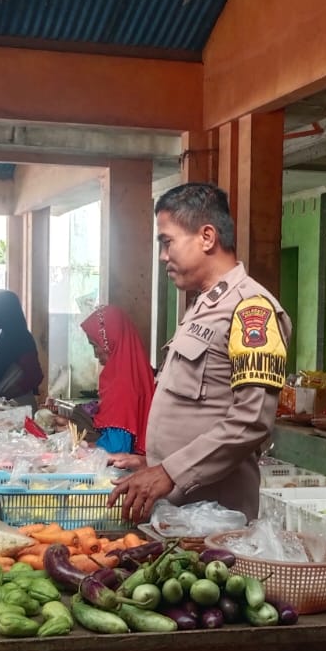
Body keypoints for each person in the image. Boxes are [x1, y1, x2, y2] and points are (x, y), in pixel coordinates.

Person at [110, 182, 289, 524]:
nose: (163, 256)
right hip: (179, 512)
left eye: (167, 242)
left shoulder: (251, 310)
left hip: (213, 522)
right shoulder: (203, 306)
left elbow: (251, 421)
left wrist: (170, 470)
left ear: (207, 237)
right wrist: (155, 461)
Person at [78, 305, 154, 456]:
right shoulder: (137, 373)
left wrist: (81, 448)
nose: (95, 354)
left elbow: (117, 449)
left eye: (95, 345)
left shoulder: (121, 384)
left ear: (109, 342)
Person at [0, 289, 43, 403]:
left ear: (3, 313)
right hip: (7, 404)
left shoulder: (19, 337)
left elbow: (35, 375)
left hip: (17, 406)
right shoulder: (8, 335)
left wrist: (4, 395)